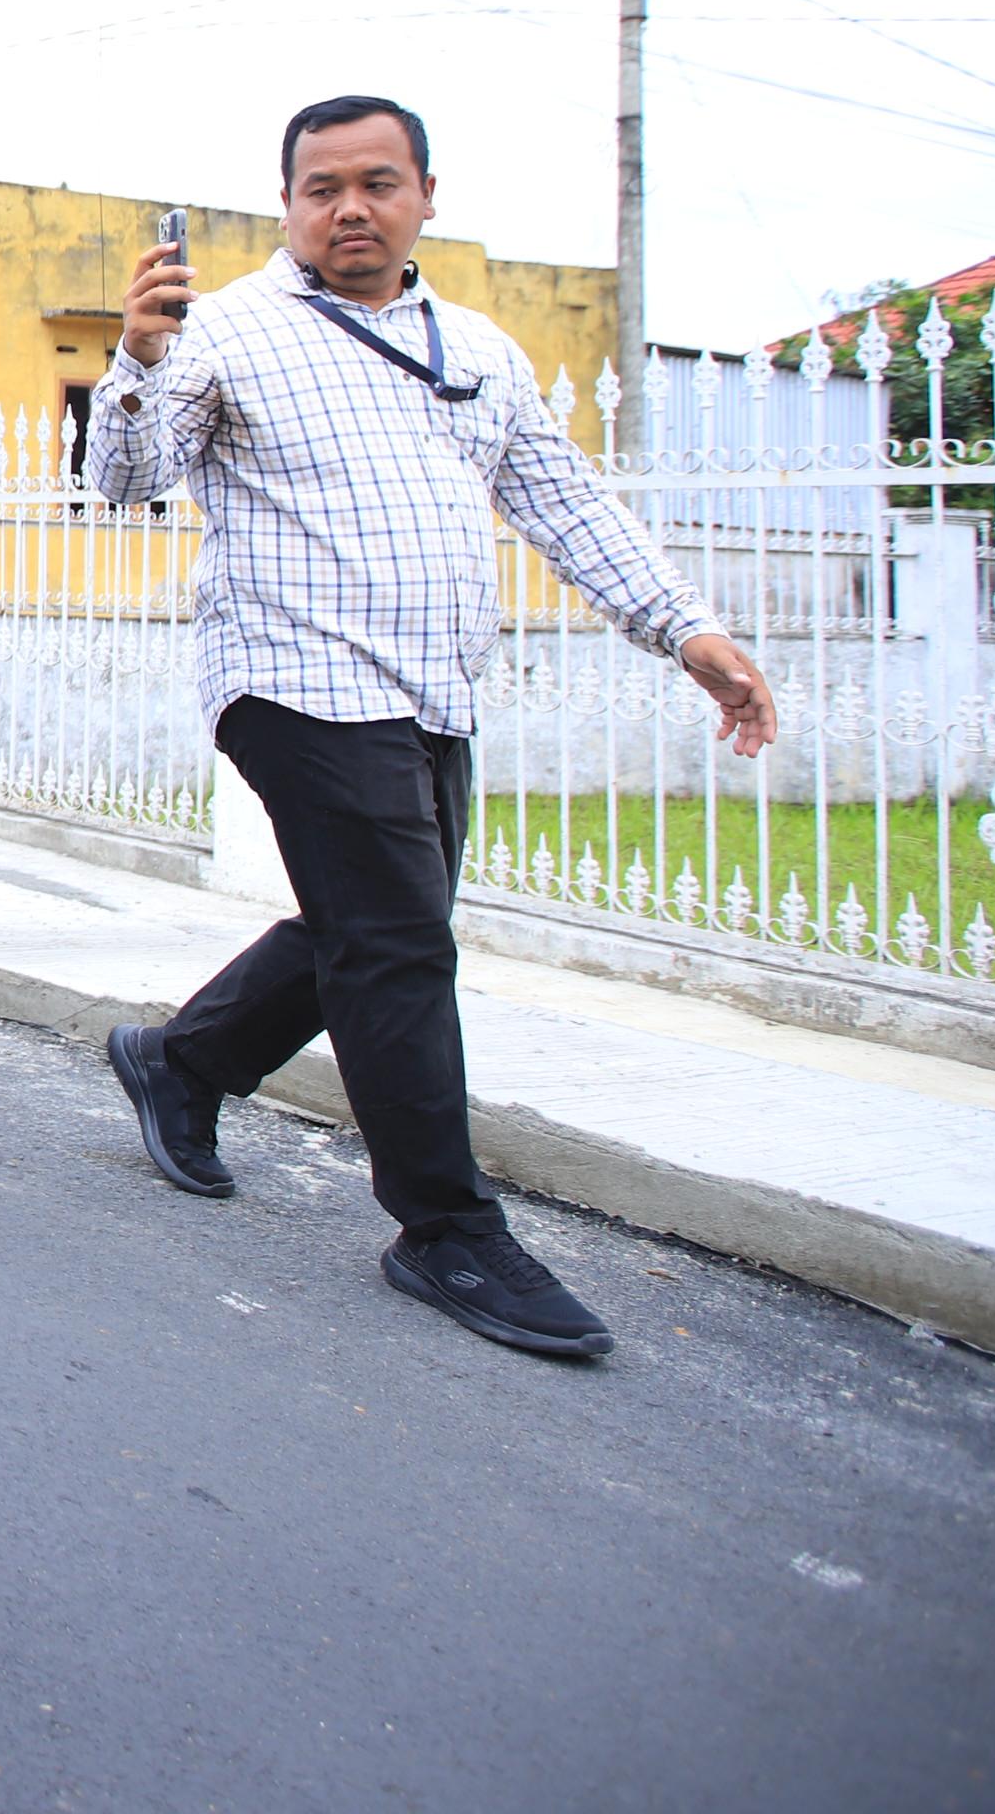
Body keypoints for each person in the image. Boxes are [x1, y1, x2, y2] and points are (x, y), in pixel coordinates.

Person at [89, 94, 777, 1362]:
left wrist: (685, 628)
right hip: (289, 674)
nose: (349, 206)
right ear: (284, 201)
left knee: (371, 922)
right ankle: (444, 1226)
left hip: (430, 686)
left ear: (422, 194)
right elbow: (124, 485)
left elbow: (564, 503)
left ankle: (181, 1062)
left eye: (376, 181)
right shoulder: (222, 332)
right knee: (396, 939)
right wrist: (134, 365)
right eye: (320, 186)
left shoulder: (478, 349)